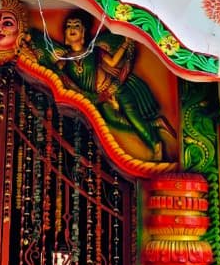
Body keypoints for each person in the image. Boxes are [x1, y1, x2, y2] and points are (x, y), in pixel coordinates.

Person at [50, 10, 176, 159]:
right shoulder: (64, 60)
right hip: (101, 98)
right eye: (69, 26)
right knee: (115, 122)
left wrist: (126, 45)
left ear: (83, 32)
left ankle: (156, 145)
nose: (72, 29)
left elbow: (113, 62)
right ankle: (156, 123)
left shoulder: (94, 51)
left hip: (116, 89)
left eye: (76, 26)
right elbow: (53, 73)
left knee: (133, 118)